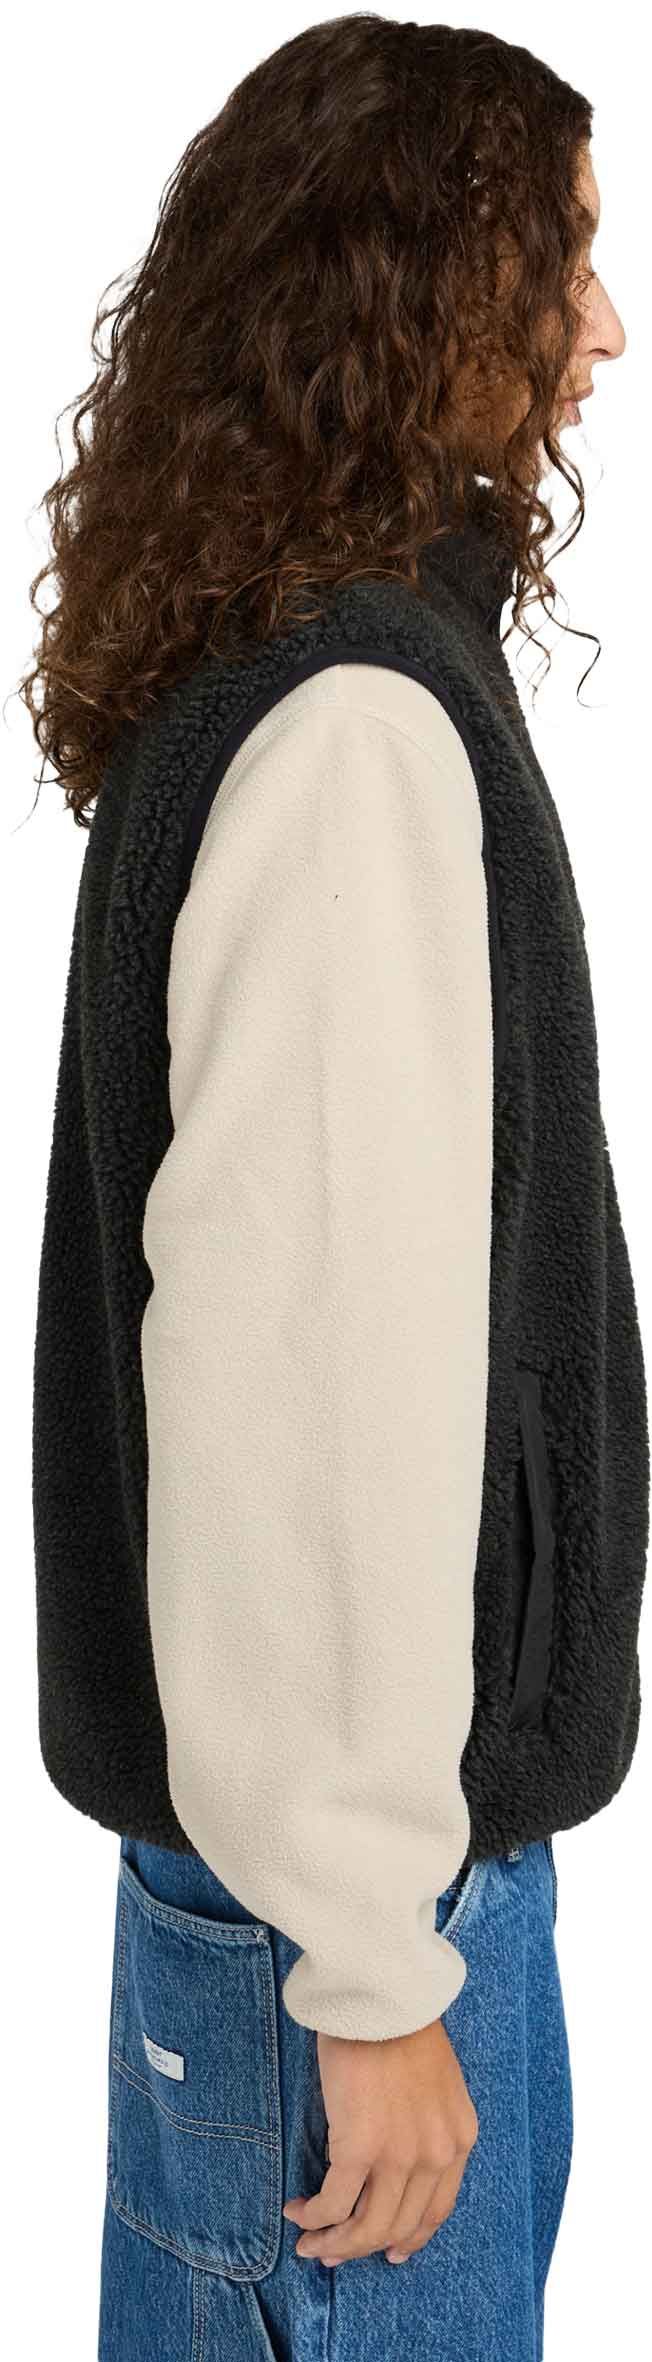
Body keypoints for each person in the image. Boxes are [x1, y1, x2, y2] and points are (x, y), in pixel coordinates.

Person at [22, 19, 648, 2362]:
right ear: (421, 285)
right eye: (563, 262)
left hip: (278, 1889)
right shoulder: (357, 725)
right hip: (344, 1934)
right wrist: (376, 1965)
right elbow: (302, 1380)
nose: (604, 329)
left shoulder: (280, 672)